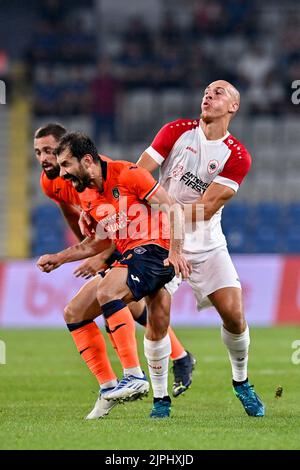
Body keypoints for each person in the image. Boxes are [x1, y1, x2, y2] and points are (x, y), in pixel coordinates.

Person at [34, 124, 197, 405]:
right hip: (128, 251)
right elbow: (96, 235)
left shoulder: (125, 173)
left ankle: (136, 375)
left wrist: (176, 250)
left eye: (52, 153)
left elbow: (171, 207)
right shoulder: (73, 189)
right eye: (39, 153)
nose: (52, 165)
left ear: (84, 159)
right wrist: (59, 258)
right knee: (76, 311)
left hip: (154, 250)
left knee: (110, 292)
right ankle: (112, 387)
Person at [137, 80, 265, 417]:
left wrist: (170, 210)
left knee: (235, 317)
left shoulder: (237, 156)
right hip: (161, 240)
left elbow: (207, 208)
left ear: (233, 107)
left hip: (206, 243)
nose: (209, 95)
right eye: (207, 91)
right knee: (158, 314)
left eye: (219, 92)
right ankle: (161, 400)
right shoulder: (175, 131)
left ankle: (242, 382)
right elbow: (139, 175)